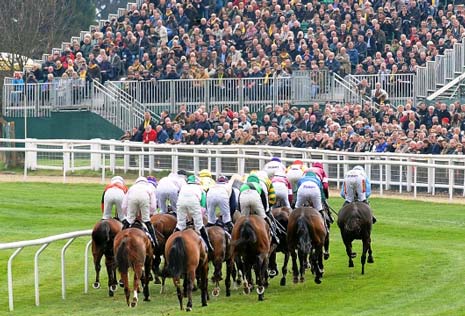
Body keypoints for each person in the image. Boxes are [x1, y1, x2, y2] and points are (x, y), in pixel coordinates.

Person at [174, 175, 214, 253]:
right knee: (199, 225)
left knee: (180, 225)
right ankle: (208, 246)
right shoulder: (200, 188)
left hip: (180, 201)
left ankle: (172, 242)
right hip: (193, 201)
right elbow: (203, 206)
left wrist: (188, 218)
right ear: (197, 182)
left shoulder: (183, 187)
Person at [238, 174, 279, 244]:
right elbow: (264, 201)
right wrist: (266, 211)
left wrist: (240, 212)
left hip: (243, 198)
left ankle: (236, 236)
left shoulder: (243, 186)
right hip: (255, 198)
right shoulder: (259, 186)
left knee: (242, 221)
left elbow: (238, 201)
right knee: (265, 218)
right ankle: (274, 235)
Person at [121, 177, 159, 247]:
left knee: (129, 220)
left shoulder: (131, 188)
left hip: (132, 197)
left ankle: (120, 237)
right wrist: (148, 214)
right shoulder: (149, 188)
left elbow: (124, 206)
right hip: (144, 198)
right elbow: (153, 206)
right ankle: (154, 241)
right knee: (146, 220)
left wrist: (129, 215)